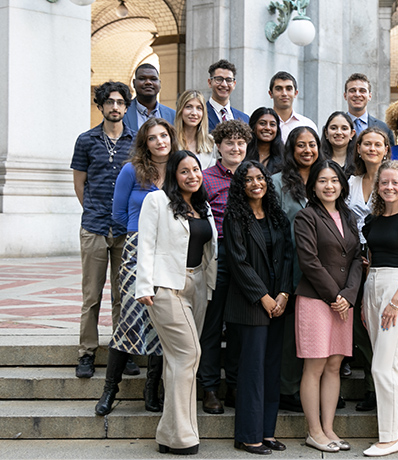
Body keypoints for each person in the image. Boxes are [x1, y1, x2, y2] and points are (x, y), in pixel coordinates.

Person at [94, 118, 178, 416]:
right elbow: (117, 213)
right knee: (130, 315)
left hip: (168, 252)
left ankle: (151, 389)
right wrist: (140, 231)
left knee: (160, 319)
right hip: (136, 248)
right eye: (153, 137)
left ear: (171, 138)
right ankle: (109, 390)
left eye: (164, 136)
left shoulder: (179, 169)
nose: (160, 142)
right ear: (145, 142)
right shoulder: (132, 170)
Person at [136, 150, 217, 455]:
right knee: (189, 352)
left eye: (196, 170)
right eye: (184, 171)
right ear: (173, 174)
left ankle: (170, 433)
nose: (192, 176)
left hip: (197, 285)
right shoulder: (157, 201)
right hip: (166, 286)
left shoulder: (202, 206)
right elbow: (145, 243)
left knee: (177, 361)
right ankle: (181, 435)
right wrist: (144, 285)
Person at [223, 161, 293, 455]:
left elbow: (288, 256)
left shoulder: (277, 216)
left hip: (278, 304)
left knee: (271, 370)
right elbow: (238, 262)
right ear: (240, 185)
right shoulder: (234, 216)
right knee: (252, 372)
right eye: (249, 179)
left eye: (260, 178)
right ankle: (248, 435)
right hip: (251, 305)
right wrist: (263, 297)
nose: (256, 183)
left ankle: (267, 432)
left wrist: (284, 294)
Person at [294, 160, 363, 453]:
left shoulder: (347, 216)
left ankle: (329, 428)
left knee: (334, 365)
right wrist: (335, 296)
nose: (329, 185)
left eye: (334, 180)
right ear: (313, 186)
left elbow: (358, 257)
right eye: (322, 180)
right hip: (316, 300)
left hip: (343, 303)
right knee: (316, 365)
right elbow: (309, 261)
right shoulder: (306, 216)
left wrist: (348, 295)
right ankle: (314, 431)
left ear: (342, 185)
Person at [71, 81, 135, 379]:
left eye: (120, 102)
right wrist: (93, 212)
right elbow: (79, 183)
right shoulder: (86, 140)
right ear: (100, 105)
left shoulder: (135, 142)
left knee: (123, 294)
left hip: (124, 230)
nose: (115, 107)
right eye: (109, 102)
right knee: (92, 295)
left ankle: (124, 349)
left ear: (126, 106)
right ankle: (86, 352)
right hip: (95, 226)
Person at [361, 160, 398, 457]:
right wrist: (365, 299)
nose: (389, 187)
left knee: (382, 367)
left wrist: (396, 300)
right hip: (371, 285)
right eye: (384, 183)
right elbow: (371, 259)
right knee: (390, 365)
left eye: (394, 183)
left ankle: (388, 439)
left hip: (396, 287)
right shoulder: (372, 220)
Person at [198, 119, 252, 415]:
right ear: (218, 146)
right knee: (212, 324)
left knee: (238, 325)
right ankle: (208, 387)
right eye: (229, 143)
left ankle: (233, 384)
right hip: (216, 257)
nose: (235, 147)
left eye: (240, 143)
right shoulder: (206, 179)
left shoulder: (254, 177)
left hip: (246, 259)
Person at [272, 126, 322, 412]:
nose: (307, 150)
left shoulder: (325, 180)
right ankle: (288, 389)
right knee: (291, 333)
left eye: (312, 144)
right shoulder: (277, 183)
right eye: (300, 145)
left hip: (319, 270)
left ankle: (315, 390)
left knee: (316, 333)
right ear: (291, 150)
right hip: (288, 268)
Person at [346, 127, 392, 412]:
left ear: (386, 149)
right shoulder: (349, 182)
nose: (372, 148)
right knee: (358, 325)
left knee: (379, 323)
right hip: (351, 258)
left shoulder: (391, 181)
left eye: (378, 144)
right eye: (367, 144)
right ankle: (370, 387)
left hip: (383, 258)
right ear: (359, 149)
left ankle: (382, 388)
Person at [344, 72, 395, 144]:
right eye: (352, 91)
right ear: (345, 95)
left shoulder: (384, 129)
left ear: (370, 96)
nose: (357, 94)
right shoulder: (334, 127)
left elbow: (390, 154)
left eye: (362, 91)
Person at [268, 71, 318, 142]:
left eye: (289, 89)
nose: (284, 93)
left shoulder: (307, 124)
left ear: (295, 93)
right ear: (270, 94)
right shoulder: (262, 126)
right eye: (279, 89)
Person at [124, 64, 176, 131]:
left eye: (153, 79)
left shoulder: (173, 115)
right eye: (142, 79)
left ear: (159, 83)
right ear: (134, 83)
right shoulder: (122, 112)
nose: (148, 82)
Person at [175, 90, 215, 169]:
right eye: (188, 107)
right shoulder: (171, 141)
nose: (194, 113)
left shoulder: (212, 142)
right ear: (180, 110)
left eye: (199, 108)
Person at [206, 59, 250, 130]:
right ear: (209, 82)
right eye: (219, 79)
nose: (224, 84)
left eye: (228, 80)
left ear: (234, 84)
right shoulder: (199, 115)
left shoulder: (245, 119)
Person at [246, 107, 284, 175]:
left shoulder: (285, 156)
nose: (267, 128)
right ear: (253, 126)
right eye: (262, 123)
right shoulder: (242, 152)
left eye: (272, 124)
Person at [320, 111, 356, 176]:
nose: (339, 132)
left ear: (352, 133)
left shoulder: (359, 160)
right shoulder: (317, 160)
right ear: (326, 133)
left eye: (344, 129)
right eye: (333, 128)